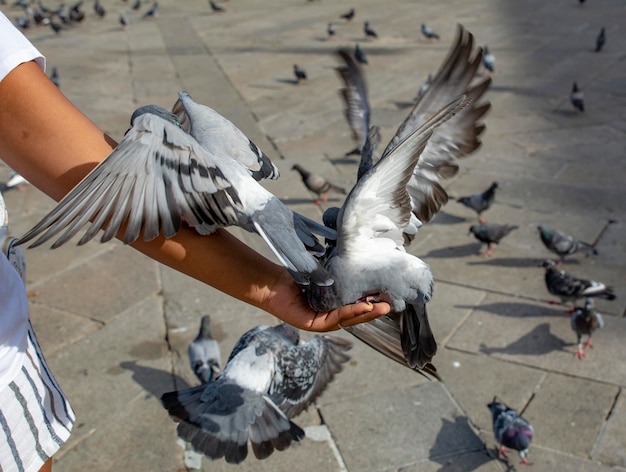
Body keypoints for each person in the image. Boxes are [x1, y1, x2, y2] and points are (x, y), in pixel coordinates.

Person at [0, 11, 389, 472]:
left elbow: (72, 157)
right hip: (254, 196)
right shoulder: (184, 119)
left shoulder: (147, 140)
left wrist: (270, 285)